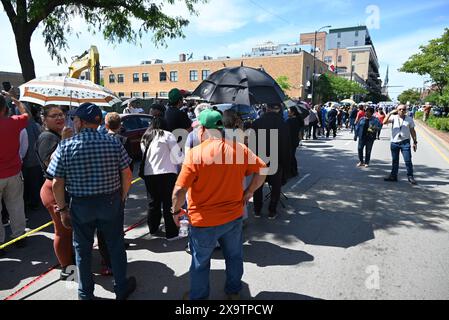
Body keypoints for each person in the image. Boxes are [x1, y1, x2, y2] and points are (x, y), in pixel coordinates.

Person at [171, 108, 267, 300]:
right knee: (234, 257)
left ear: (203, 129)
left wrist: (175, 211)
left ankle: (198, 299)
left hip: (203, 221)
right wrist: (248, 193)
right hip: (233, 217)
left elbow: (180, 190)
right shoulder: (239, 149)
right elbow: (263, 169)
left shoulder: (196, 154)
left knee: (200, 263)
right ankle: (233, 292)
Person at [47, 102, 136, 300]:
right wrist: (122, 196)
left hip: (81, 205)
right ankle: (121, 288)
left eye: (75, 119)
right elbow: (127, 173)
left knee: (83, 249)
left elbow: (56, 183)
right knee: (115, 245)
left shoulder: (65, 146)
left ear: (79, 121)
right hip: (110, 202)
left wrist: (62, 209)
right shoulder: (113, 142)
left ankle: (85, 293)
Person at [36, 105, 74, 279]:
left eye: (61, 114)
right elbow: (49, 164)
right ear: (45, 119)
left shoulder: (58, 135)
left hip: (61, 188)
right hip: (52, 189)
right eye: (54, 115)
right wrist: (65, 141)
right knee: (62, 231)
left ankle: (70, 260)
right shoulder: (46, 137)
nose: (59, 118)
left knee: (68, 230)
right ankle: (68, 270)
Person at [141, 117, 182, 240]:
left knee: (153, 202)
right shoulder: (167, 135)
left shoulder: (145, 137)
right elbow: (178, 157)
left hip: (149, 173)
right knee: (169, 203)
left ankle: (153, 229)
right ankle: (172, 233)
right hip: (167, 173)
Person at [252, 103, 291, 219]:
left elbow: (253, 144)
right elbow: (286, 146)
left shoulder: (257, 123)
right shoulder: (283, 124)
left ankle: (257, 209)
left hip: (260, 158)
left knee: (257, 186)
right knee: (276, 186)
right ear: (278, 109)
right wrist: (285, 163)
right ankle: (272, 210)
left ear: (267, 108)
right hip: (276, 158)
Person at [0, 91, 28, 252]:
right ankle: (19, 236)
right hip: (14, 172)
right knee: (16, 205)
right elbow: (26, 114)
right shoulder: (14, 122)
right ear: (5, 108)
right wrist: (17, 101)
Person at [383, 104, 418, 185]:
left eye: (403, 109)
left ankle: (410, 176)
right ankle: (393, 176)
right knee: (395, 161)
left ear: (406, 110)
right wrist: (391, 113)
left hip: (405, 143)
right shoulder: (393, 118)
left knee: (408, 160)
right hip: (394, 142)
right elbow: (384, 122)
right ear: (397, 110)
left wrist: (415, 142)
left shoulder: (409, 119)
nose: (402, 111)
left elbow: (412, 131)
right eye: (400, 109)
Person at [286, 107, 301, 177]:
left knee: (290, 156)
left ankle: (293, 171)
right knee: (292, 156)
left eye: (289, 111)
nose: (287, 112)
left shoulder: (289, 121)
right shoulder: (297, 120)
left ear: (293, 112)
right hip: (295, 140)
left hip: (290, 141)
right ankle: (294, 171)